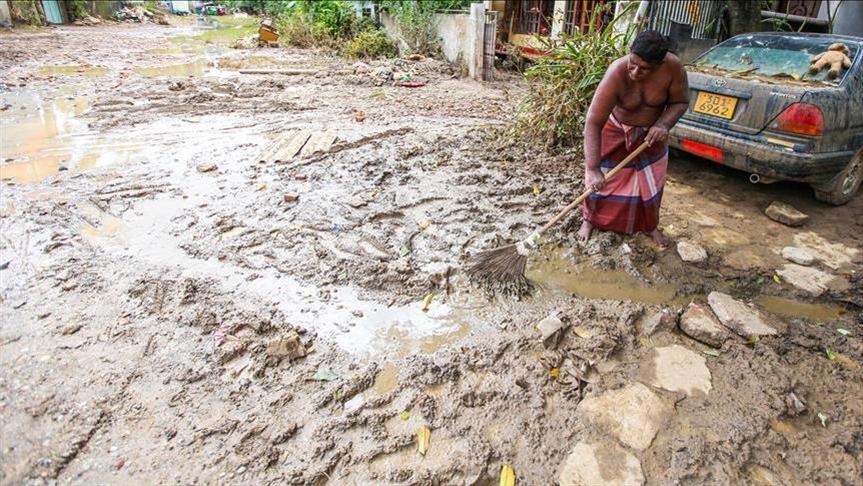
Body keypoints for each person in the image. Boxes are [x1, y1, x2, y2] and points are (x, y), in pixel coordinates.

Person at [577, 30, 689, 246]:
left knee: (650, 184)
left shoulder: (673, 68)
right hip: (615, 130)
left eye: (644, 69)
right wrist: (592, 168)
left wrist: (663, 124)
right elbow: (593, 122)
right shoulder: (616, 72)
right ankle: (589, 220)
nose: (635, 72)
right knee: (600, 182)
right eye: (633, 63)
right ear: (630, 54)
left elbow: (681, 102)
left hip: (652, 136)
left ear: (660, 64)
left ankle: (649, 225)